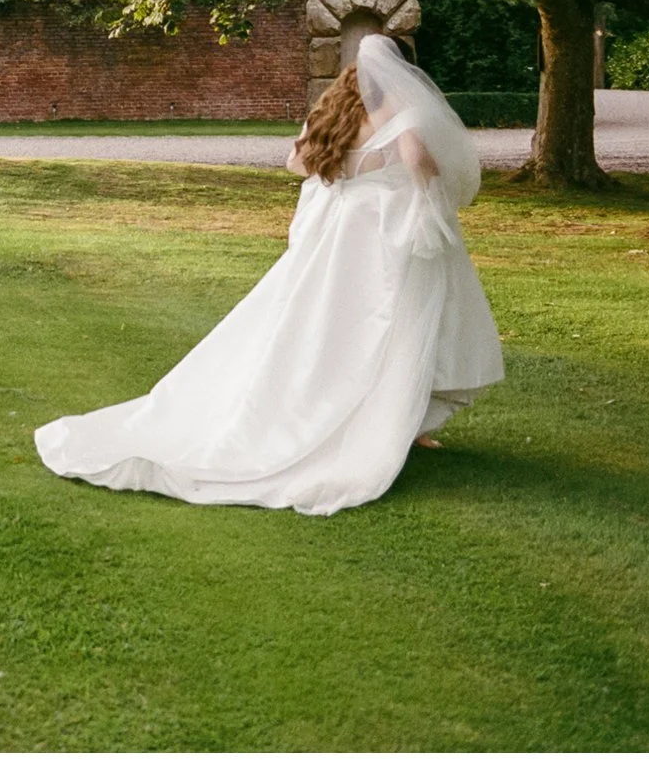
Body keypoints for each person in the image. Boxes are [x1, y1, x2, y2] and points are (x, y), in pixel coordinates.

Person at [33, 33, 503, 516]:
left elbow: (296, 162)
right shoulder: (402, 115)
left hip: (335, 235)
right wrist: (426, 191)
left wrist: (345, 175)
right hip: (384, 237)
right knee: (393, 327)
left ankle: (364, 415)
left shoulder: (333, 111)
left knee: (322, 323)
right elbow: (418, 161)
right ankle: (389, 423)